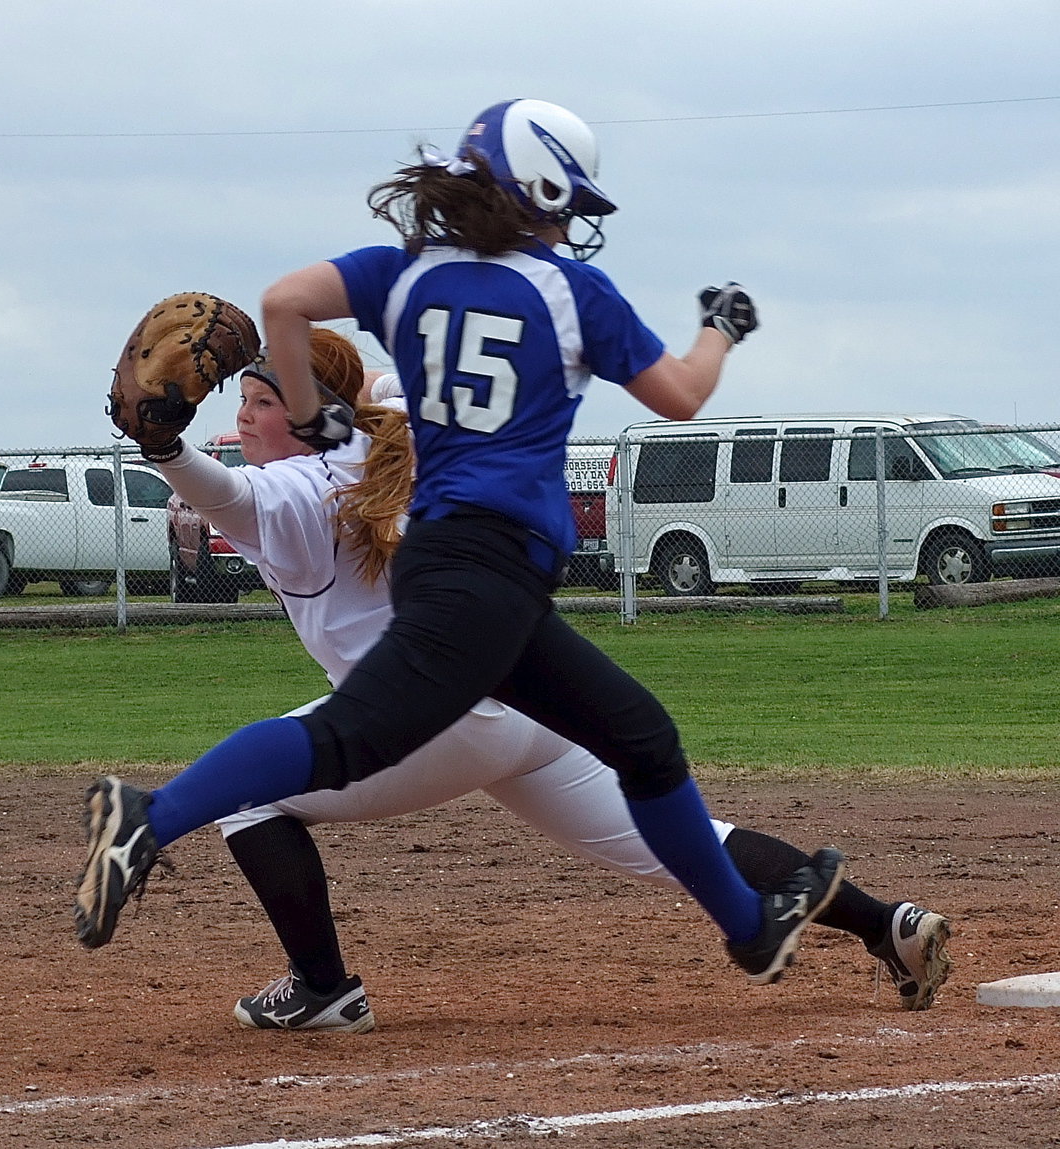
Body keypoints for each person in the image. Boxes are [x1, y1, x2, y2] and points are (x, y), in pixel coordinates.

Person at [76, 99, 846, 990]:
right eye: (565, 205)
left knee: (643, 740)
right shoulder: (569, 291)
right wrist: (722, 326)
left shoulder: (407, 273)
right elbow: (680, 396)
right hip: (487, 567)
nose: (570, 225)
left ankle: (751, 926)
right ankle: (150, 815)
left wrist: (308, 407)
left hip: (474, 568)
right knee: (350, 736)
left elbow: (283, 302)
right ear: (538, 193)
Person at [146, 340, 949, 1030]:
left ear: (312, 416)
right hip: (529, 701)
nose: (245, 416)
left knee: (250, 796)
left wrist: (160, 440)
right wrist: (346, 384)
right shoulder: (389, 434)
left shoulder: (300, 485)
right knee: (681, 840)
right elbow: (386, 390)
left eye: (261, 401)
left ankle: (323, 987)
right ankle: (889, 924)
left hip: (432, 717)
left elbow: (225, 491)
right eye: (243, 401)